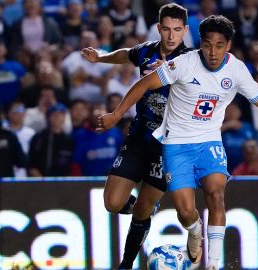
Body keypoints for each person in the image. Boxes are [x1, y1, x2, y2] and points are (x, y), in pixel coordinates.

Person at [97, 15, 258, 270]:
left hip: (209, 141)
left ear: (228, 45)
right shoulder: (183, 64)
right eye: (207, 45)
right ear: (200, 45)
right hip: (175, 144)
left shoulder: (237, 69)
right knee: (186, 212)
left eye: (219, 46)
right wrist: (117, 114)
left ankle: (213, 265)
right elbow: (144, 83)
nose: (212, 52)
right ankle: (194, 229)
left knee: (215, 193)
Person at [81, 3, 191, 269]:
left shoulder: (191, 61)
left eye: (177, 30)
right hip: (139, 139)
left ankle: (126, 264)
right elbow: (126, 55)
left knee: (142, 209)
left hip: (169, 147)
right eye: (166, 29)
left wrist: (172, 74)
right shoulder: (146, 52)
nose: (171, 35)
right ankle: (144, 208)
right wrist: (101, 57)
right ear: (158, 29)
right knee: (112, 202)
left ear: (185, 31)